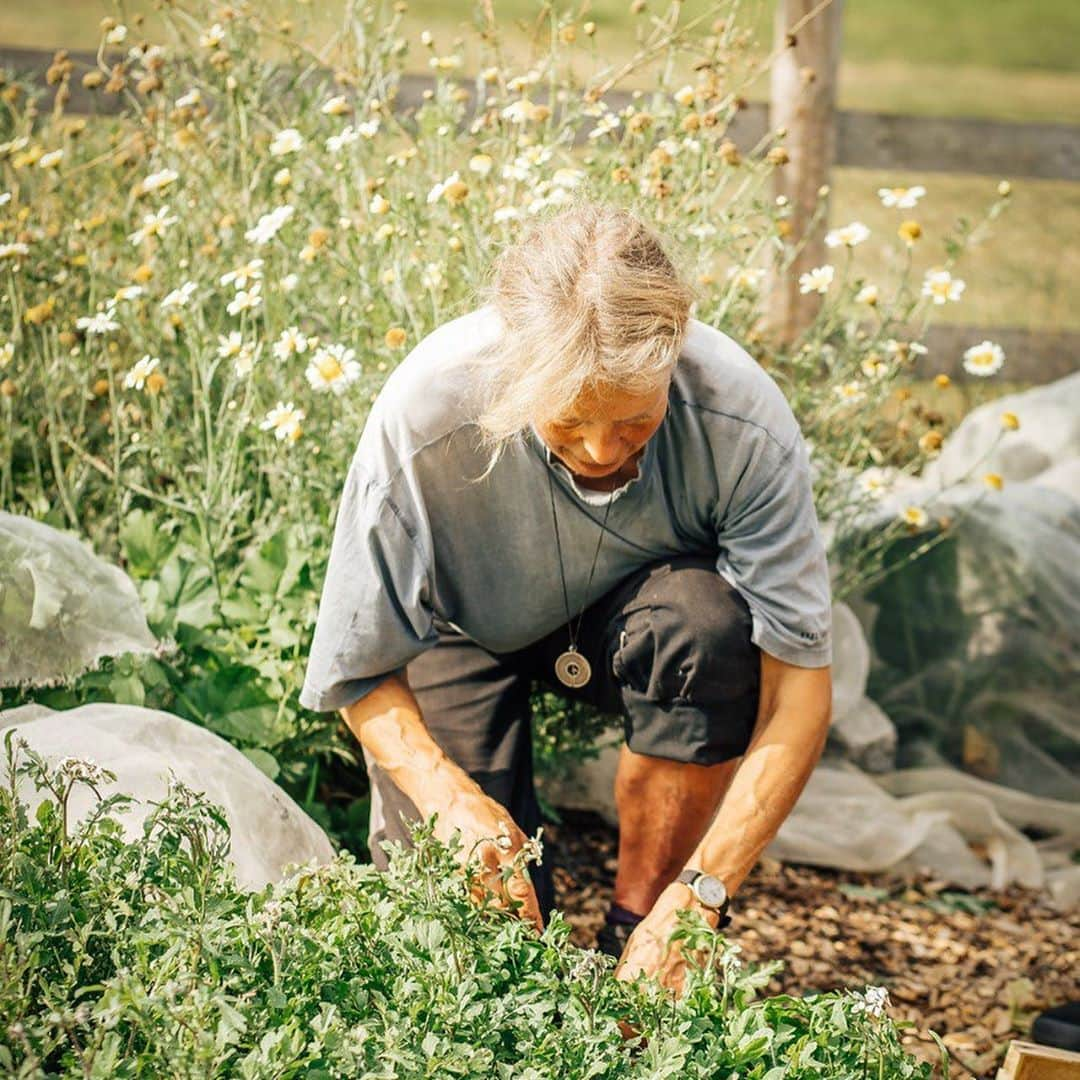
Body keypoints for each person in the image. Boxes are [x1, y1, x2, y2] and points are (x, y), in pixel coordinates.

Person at [299, 200, 833, 994]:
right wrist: (449, 801)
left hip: (644, 612)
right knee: (466, 941)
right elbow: (357, 667)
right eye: (569, 419)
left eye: (633, 420)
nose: (598, 449)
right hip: (461, 628)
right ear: (514, 371)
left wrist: (704, 894)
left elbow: (798, 694)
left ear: (675, 348)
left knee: (705, 630)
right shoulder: (422, 417)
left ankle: (641, 941)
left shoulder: (739, 418)